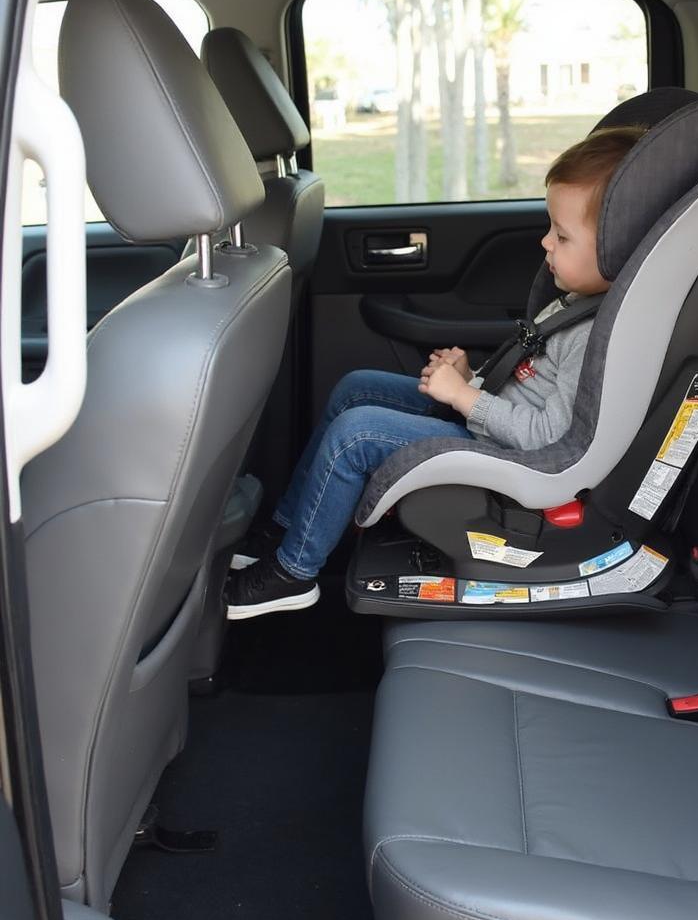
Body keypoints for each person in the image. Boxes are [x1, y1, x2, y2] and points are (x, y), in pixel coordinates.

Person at [225, 125, 645, 620]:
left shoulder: (597, 333)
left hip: (521, 464)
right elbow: (530, 383)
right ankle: (284, 527)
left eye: (562, 235)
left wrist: (466, 399)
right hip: (496, 425)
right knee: (355, 387)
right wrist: (473, 379)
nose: (544, 241)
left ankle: (293, 572)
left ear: (618, 247)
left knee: (354, 436)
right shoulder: (577, 302)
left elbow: (550, 438)